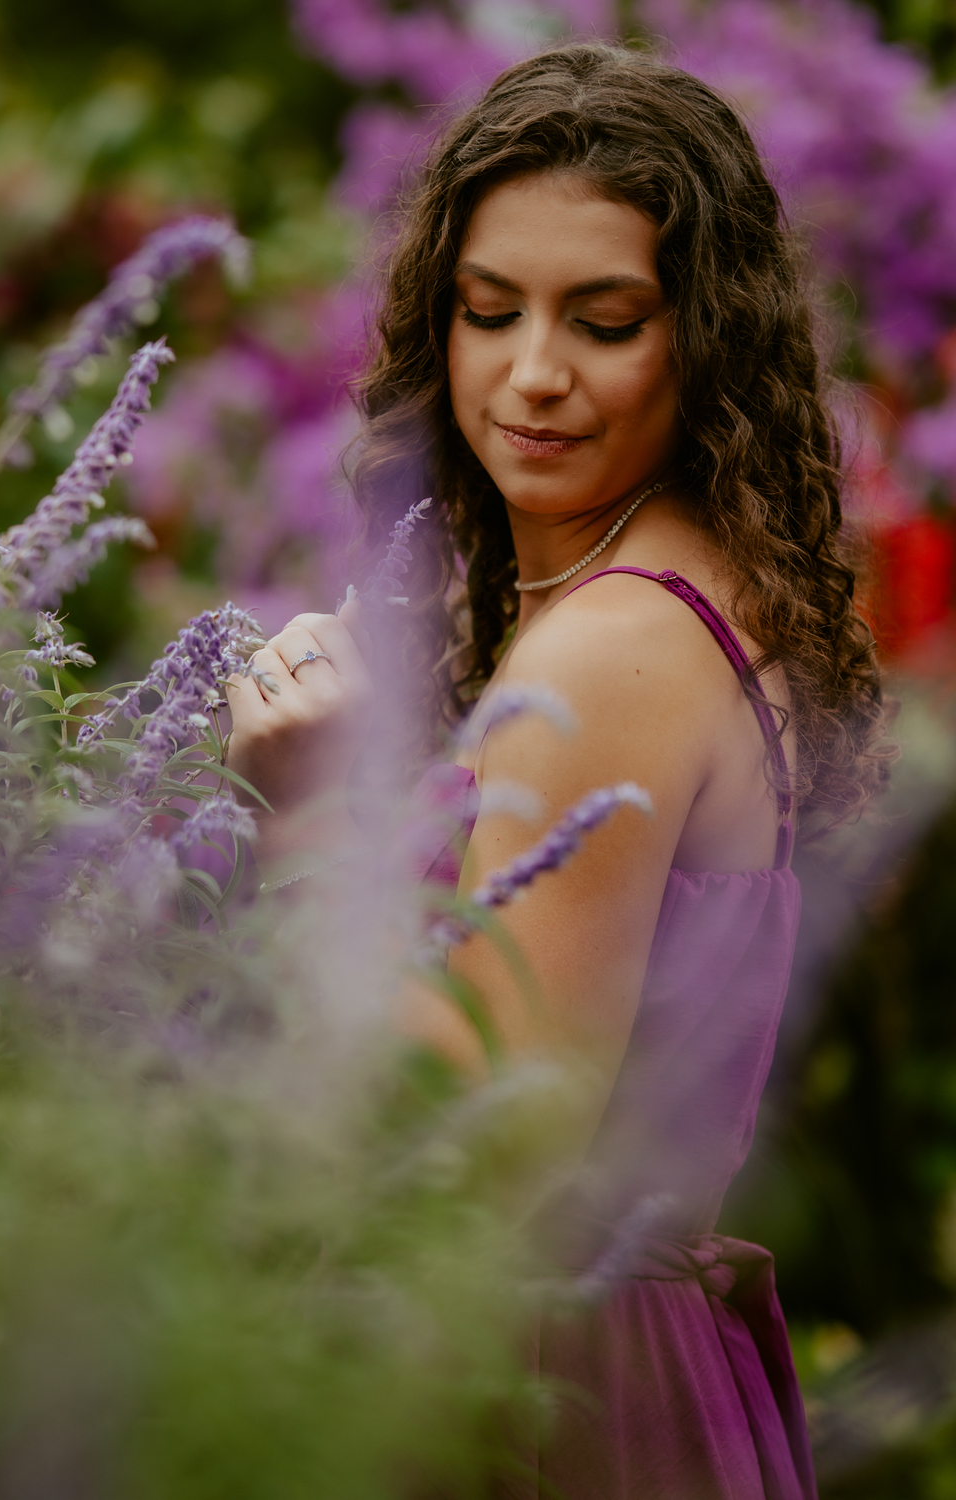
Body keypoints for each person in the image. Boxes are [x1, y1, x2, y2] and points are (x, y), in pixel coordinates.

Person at [224, 42, 889, 1499]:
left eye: (604, 321)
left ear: (700, 340)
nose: (532, 375)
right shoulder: (679, 593)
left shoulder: (609, 653)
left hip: (551, 1400)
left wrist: (316, 810)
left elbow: (465, 1170)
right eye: (488, 312)